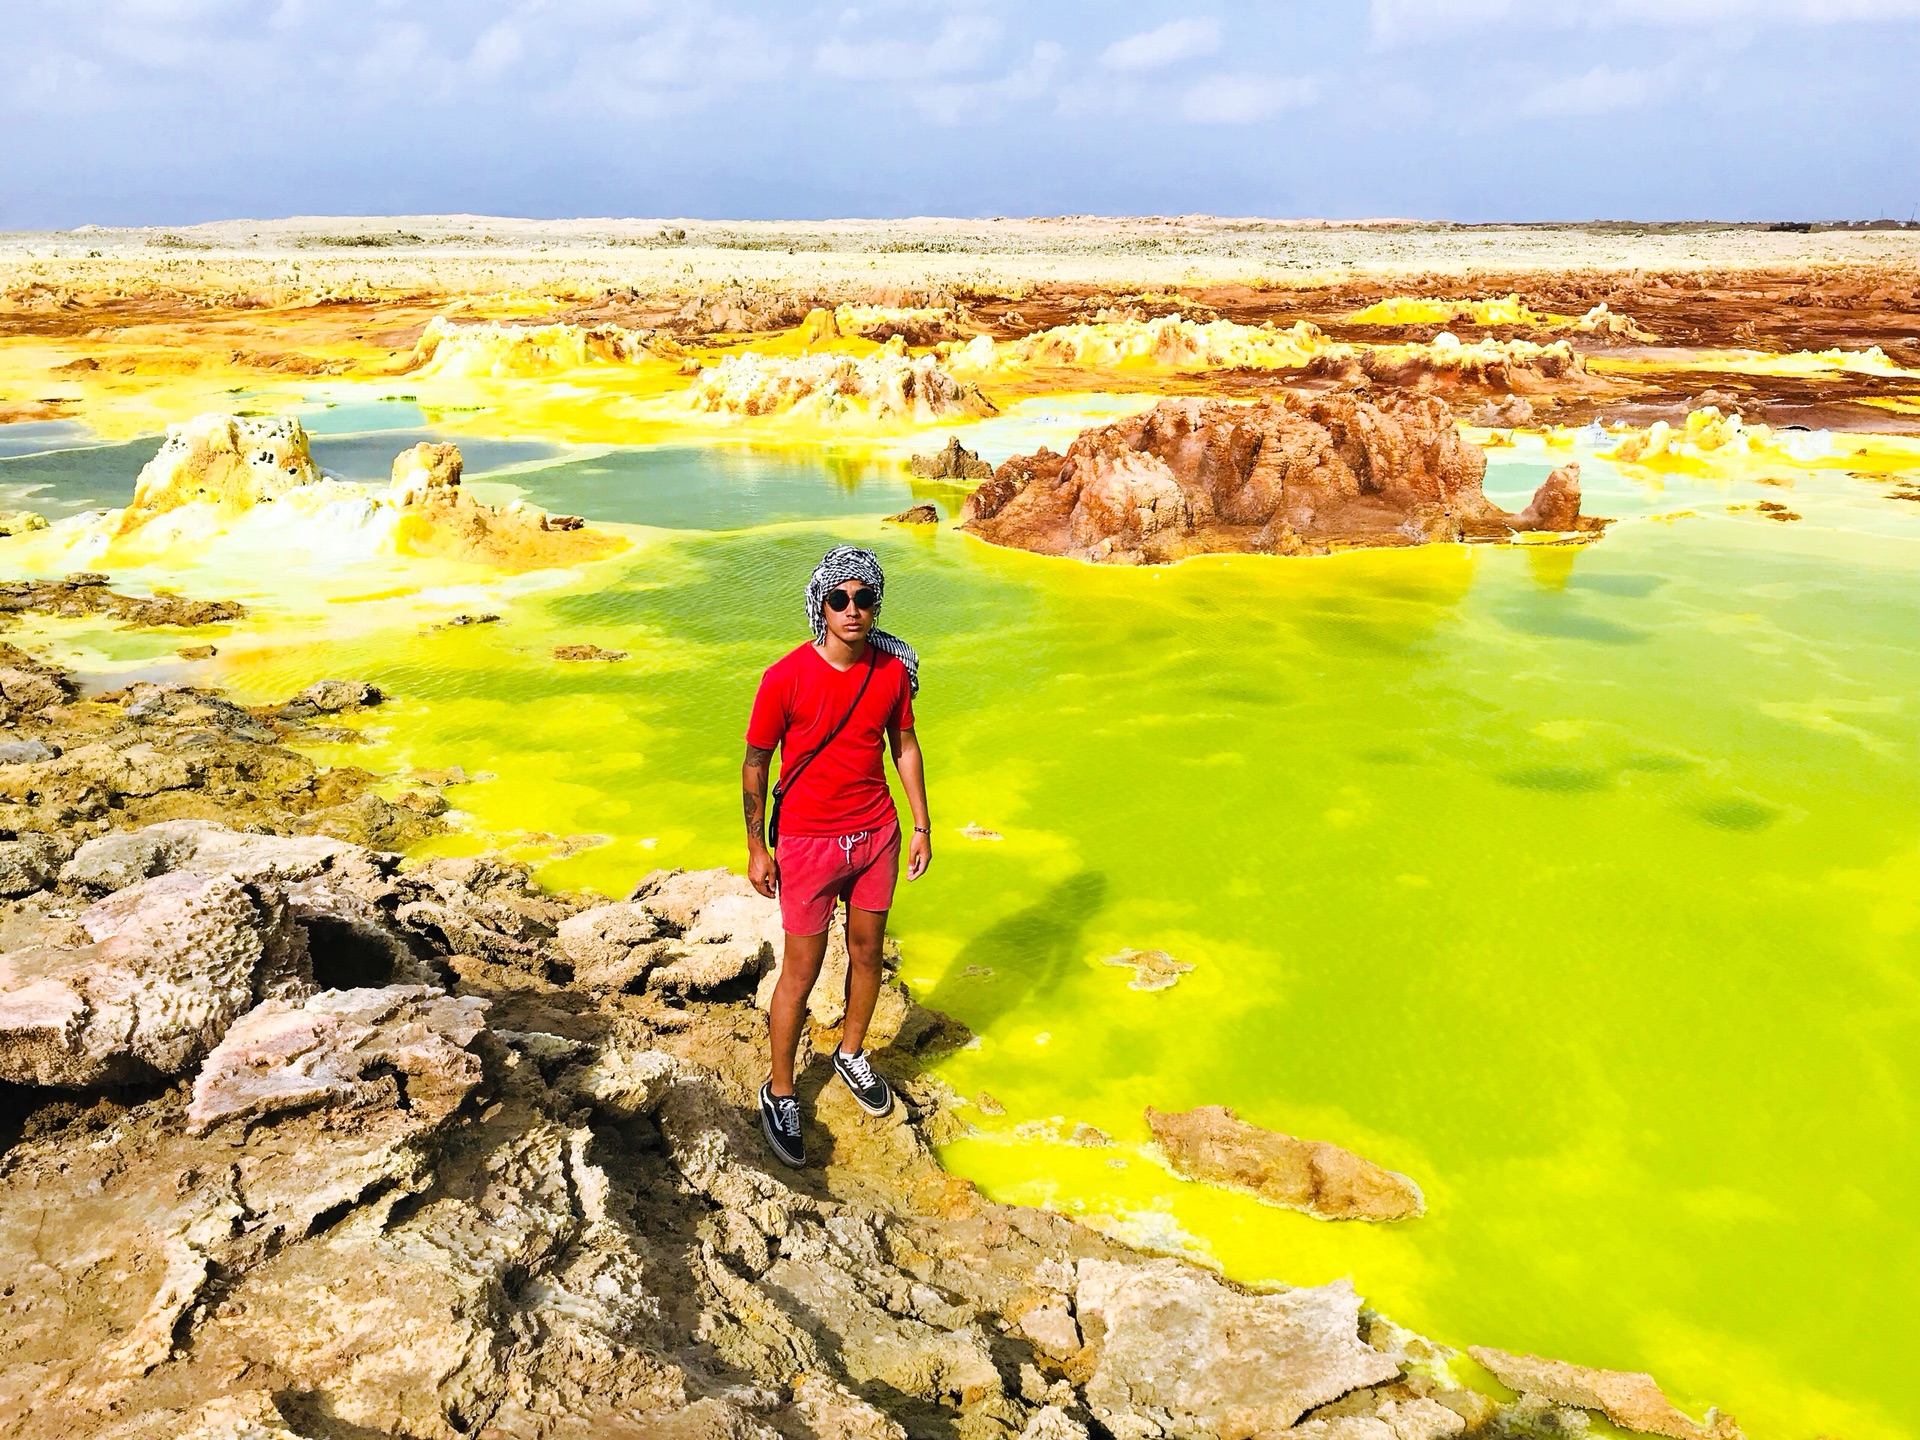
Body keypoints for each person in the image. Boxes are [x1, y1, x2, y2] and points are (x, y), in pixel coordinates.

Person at [742, 545, 931, 1166]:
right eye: (840, 598)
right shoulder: (784, 677)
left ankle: (852, 1053)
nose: (853, 609)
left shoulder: (891, 673)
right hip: (807, 841)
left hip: (875, 833)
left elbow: (904, 745)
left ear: (877, 604)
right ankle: (781, 1090)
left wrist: (922, 825)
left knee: (867, 950)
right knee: (802, 968)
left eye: (865, 598)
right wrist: (756, 847)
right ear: (821, 606)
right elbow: (755, 764)